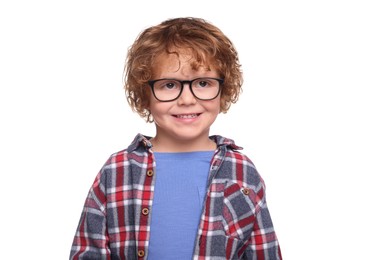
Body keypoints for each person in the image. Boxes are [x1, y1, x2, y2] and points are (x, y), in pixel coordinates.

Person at [69, 17, 282, 259]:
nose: (187, 99)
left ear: (223, 90)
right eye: (169, 85)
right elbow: (87, 251)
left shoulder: (241, 171)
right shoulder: (117, 170)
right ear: (144, 95)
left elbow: (264, 251)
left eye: (203, 83)